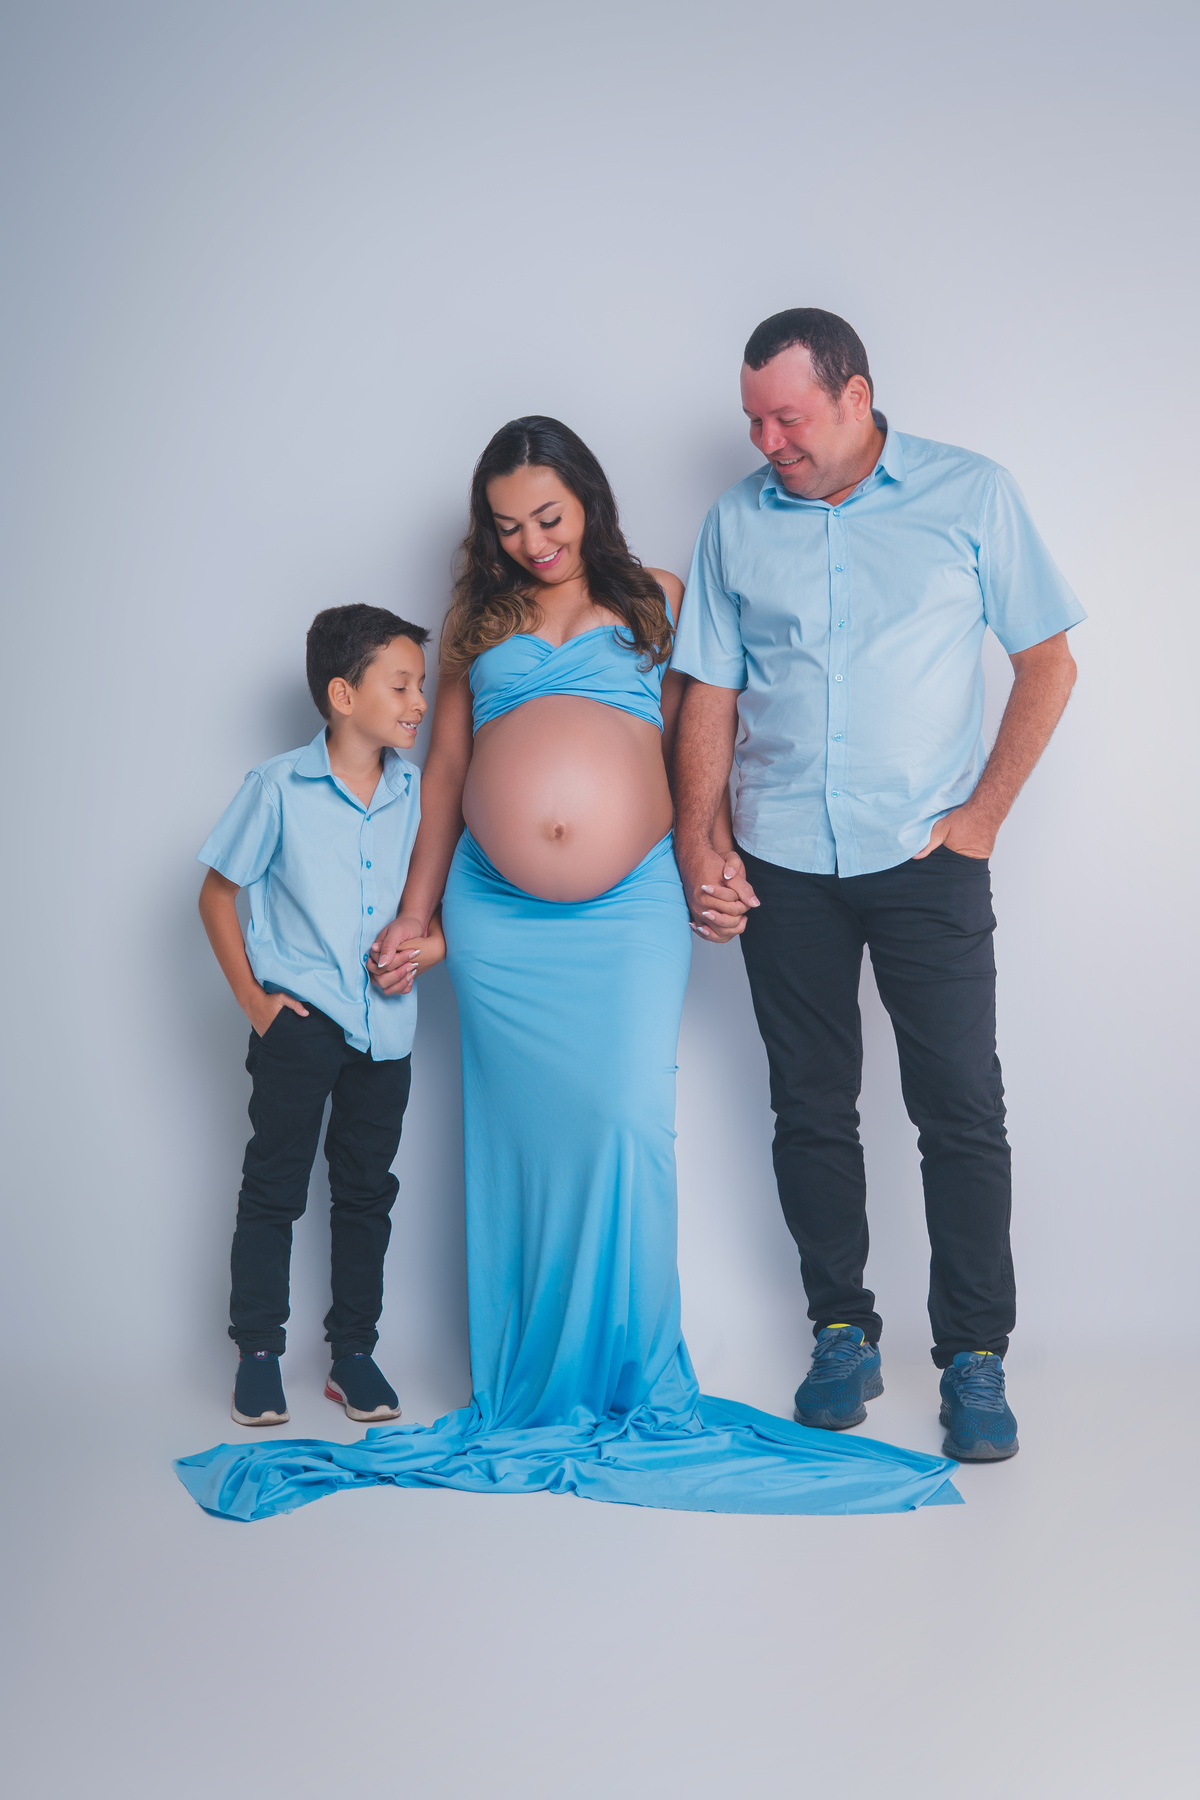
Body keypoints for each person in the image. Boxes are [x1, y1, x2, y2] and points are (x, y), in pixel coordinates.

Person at [176, 417, 960, 1520]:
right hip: (497, 919)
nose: (533, 541)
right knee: (521, 1140)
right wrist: (418, 914)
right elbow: (446, 769)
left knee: (628, 1122)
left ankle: (628, 1368)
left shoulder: (659, 597)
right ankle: (532, 1376)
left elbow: (697, 749)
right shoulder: (476, 621)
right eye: (507, 526)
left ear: (587, 497)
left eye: (548, 516)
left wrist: (711, 858)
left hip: (630, 905)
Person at [671, 308, 1085, 1462]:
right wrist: (699, 841)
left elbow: (1048, 661)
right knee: (809, 1106)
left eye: (788, 417)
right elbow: (709, 689)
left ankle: (975, 1357)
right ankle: (841, 1331)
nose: (768, 443)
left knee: (960, 1108)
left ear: (855, 396)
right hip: (780, 864)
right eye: (753, 421)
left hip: (925, 861)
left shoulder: (972, 494)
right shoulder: (735, 521)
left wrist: (979, 822)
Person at [196, 604, 443, 1428]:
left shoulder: (419, 794)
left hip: (388, 1030)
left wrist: (425, 952)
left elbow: (439, 917)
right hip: (300, 1027)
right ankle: (258, 1354)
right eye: (400, 685)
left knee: (367, 1193)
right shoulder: (276, 787)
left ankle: (353, 1356)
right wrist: (256, 1003)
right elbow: (217, 895)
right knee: (274, 1187)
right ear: (343, 694)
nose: (418, 701)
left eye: (420, 685)